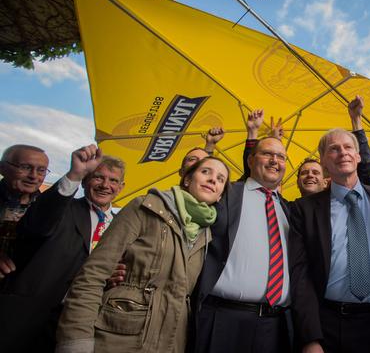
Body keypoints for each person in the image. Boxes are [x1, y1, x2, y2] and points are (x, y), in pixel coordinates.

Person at [56, 156, 229, 352]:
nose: (213, 179)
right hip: (119, 338)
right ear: (187, 179)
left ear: (220, 196)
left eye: (221, 178)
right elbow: (92, 275)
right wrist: (76, 342)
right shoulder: (145, 207)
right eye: (205, 172)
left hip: (170, 342)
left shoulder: (206, 233)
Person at [0, 145, 125, 352]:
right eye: (98, 177)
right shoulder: (61, 209)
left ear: (121, 187)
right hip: (31, 320)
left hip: (84, 323)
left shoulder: (123, 225)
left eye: (113, 180)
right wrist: (74, 173)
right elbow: (38, 222)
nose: (105, 185)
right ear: (85, 181)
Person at [290, 128, 370, 353]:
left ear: (359, 156)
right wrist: (310, 338)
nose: (343, 153)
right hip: (330, 326)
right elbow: (300, 275)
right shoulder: (304, 210)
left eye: (348, 147)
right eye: (334, 149)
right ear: (323, 161)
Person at [192, 136, 293, 353]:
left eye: (281, 157)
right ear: (250, 160)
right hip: (222, 320)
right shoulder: (225, 194)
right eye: (267, 154)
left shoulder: (290, 210)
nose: (275, 160)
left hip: (275, 326)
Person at [0, 145, 49, 262]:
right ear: (2, 168)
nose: (33, 176)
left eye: (41, 170)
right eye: (25, 167)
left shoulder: (47, 208)